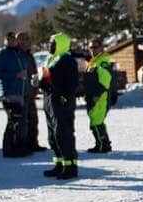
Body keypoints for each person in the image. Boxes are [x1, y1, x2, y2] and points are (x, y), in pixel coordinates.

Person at [41, 33, 80, 179]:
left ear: (60, 44)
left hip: (61, 101)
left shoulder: (67, 60)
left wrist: (65, 97)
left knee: (63, 134)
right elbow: (48, 78)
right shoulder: (51, 59)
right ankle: (59, 164)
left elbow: (72, 83)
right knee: (53, 135)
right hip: (49, 99)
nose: (49, 46)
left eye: (52, 43)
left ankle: (70, 166)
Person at [0, 31, 32, 157]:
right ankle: (9, 149)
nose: (11, 41)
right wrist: (15, 75)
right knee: (13, 120)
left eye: (13, 39)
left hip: (20, 92)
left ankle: (18, 147)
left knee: (19, 121)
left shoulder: (19, 54)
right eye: (9, 39)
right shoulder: (1, 54)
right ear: (5, 40)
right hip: (8, 92)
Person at [83, 38, 115, 152]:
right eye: (90, 47)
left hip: (100, 98)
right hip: (92, 97)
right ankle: (101, 143)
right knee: (94, 121)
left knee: (97, 121)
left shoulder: (103, 61)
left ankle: (103, 146)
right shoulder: (93, 61)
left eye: (95, 47)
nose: (92, 49)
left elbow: (105, 79)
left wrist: (97, 94)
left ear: (101, 48)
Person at [16, 32, 42, 153]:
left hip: (31, 92)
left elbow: (34, 72)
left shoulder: (29, 55)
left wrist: (36, 86)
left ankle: (33, 143)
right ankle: (24, 144)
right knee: (23, 120)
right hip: (21, 92)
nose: (26, 42)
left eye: (27, 39)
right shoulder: (17, 55)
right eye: (23, 39)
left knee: (33, 119)